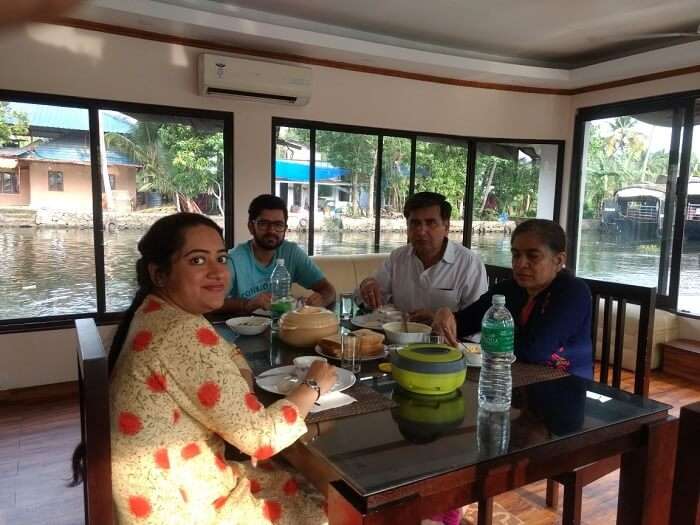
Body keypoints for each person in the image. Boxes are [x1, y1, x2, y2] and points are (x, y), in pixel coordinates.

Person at [70, 213, 336, 525]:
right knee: (333, 502)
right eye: (197, 261)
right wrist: (313, 386)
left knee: (301, 466)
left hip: (178, 480)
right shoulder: (178, 334)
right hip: (184, 507)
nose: (217, 272)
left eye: (221, 258)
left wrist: (243, 378)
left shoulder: (160, 312)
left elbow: (229, 353)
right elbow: (261, 439)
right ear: (159, 273)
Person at [433, 219, 593, 378]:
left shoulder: (573, 292)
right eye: (516, 255)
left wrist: (483, 344)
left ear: (558, 261)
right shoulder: (509, 289)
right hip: (509, 380)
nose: (521, 263)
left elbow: (534, 350)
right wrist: (445, 315)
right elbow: (465, 322)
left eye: (533, 256)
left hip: (563, 387)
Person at [356, 192, 487, 323]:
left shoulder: (469, 264)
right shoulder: (397, 258)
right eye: (415, 223)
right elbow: (363, 299)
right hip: (399, 340)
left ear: (446, 227)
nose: (421, 231)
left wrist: (437, 319)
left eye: (430, 223)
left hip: (447, 341)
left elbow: (479, 319)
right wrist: (366, 286)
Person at [220, 194, 336, 314]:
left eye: (278, 225)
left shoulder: (291, 252)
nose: (271, 230)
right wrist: (247, 304)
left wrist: (321, 300)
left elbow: (328, 290)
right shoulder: (234, 259)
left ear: (285, 229)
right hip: (244, 329)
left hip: (285, 326)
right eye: (263, 224)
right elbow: (211, 302)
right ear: (251, 227)